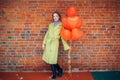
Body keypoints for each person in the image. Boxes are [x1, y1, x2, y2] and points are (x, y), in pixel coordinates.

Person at [42, 11, 70, 80]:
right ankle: (59, 70)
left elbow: (63, 37)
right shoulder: (50, 25)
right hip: (49, 43)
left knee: (52, 59)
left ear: (59, 17)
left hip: (55, 43)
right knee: (51, 59)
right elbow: (47, 34)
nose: (55, 17)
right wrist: (43, 43)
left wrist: (66, 46)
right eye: (54, 16)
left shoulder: (61, 26)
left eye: (56, 16)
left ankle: (54, 74)